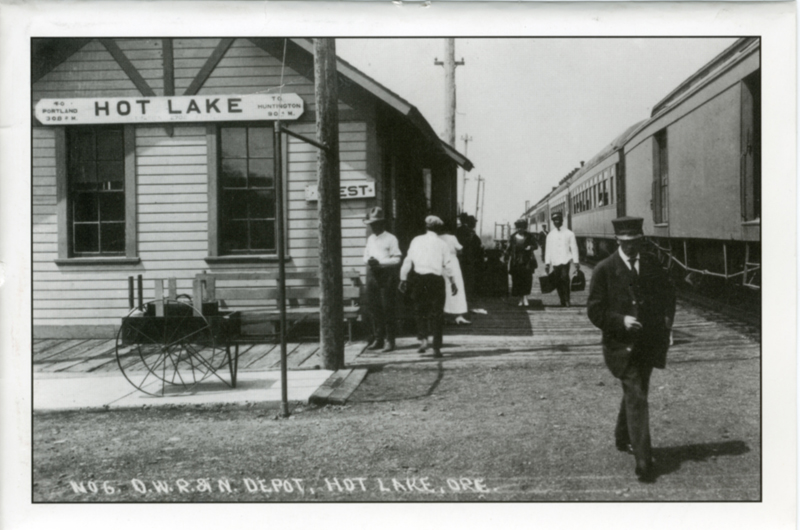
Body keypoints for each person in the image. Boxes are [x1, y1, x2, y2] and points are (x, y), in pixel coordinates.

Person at [587, 216, 676, 483]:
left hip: (648, 342)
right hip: (620, 346)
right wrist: (620, 320)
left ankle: (622, 436)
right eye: (625, 242)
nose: (630, 247)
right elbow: (594, 310)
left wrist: (667, 326)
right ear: (617, 241)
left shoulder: (651, 265)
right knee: (637, 395)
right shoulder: (604, 269)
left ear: (641, 240)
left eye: (635, 241)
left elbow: (668, 296)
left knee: (637, 391)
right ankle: (644, 460)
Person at [399, 215, 458, 358]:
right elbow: (448, 265)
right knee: (437, 313)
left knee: (420, 310)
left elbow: (408, 261)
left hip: (419, 279)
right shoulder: (442, 244)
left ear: (426, 227)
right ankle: (436, 348)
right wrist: (453, 281)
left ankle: (423, 339)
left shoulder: (416, 241)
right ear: (438, 228)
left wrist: (403, 278)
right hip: (435, 280)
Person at [362, 207, 402, 352]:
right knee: (374, 308)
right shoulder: (371, 239)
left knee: (387, 308)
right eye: (371, 224)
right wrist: (370, 261)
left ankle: (390, 340)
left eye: (376, 224)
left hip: (386, 276)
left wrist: (381, 263)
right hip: (372, 275)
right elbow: (365, 255)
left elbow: (397, 259)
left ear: (382, 224)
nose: (373, 227)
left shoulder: (391, 238)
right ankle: (378, 339)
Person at [544, 211, 580, 307]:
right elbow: (548, 250)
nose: (557, 221)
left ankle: (567, 299)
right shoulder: (550, 235)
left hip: (565, 260)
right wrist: (547, 263)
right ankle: (562, 300)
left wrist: (576, 261)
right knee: (558, 281)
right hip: (555, 261)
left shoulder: (569, 233)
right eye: (555, 220)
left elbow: (574, 248)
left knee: (565, 278)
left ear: (562, 221)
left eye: (558, 219)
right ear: (553, 222)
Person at [439, 222, 470, 325]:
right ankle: (458, 315)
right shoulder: (452, 238)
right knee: (456, 287)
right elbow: (460, 250)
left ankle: (444, 314)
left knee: (443, 287)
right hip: (452, 263)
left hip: (440, 263)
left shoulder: (437, 238)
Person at [505, 218, 538, 307]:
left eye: (522, 227)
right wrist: (506, 258)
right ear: (516, 228)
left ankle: (525, 298)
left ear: (525, 227)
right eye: (518, 227)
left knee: (527, 279)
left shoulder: (529, 236)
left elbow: (536, 246)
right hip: (516, 262)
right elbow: (508, 249)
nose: (520, 229)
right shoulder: (512, 237)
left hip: (527, 261)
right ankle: (520, 298)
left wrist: (530, 247)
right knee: (517, 280)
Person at [455, 213, 484, 307]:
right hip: (469, 258)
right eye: (474, 222)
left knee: (463, 277)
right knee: (469, 278)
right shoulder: (470, 232)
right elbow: (476, 244)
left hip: (461, 258)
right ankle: (468, 298)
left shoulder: (458, 230)